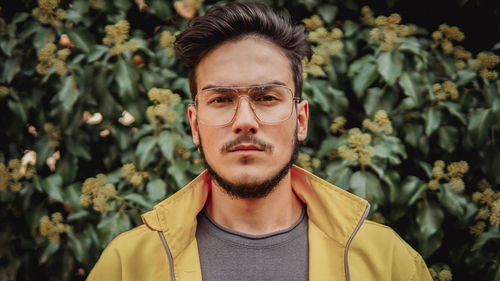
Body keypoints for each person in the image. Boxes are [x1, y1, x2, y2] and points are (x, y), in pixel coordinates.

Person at [87, 2, 433, 280]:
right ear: (194, 125)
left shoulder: (387, 262)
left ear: (301, 120)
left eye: (266, 97)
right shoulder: (126, 266)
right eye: (221, 99)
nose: (245, 122)